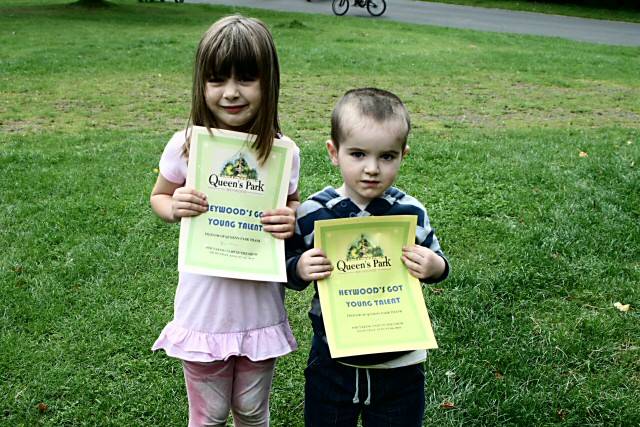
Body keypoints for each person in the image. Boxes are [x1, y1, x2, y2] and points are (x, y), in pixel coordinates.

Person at [150, 15, 301, 427]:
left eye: (247, 79)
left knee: (253, 410)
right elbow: (159, 197)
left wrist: (290, 218)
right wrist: (174, 204)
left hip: (258, 308)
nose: (231, 92)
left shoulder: (283, 151)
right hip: (206, 309)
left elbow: (292, 204)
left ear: (269, 82)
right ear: (201, 84)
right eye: (217, 79)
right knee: (208, 413)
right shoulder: (186, 146)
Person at [286, 88, 449, 427]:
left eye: (386, 156)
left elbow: (437, 261)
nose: (372, 169)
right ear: (334, 152)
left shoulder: (411, 212)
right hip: (331, 361)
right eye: (358, 154)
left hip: (399, 365)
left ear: (404, 155)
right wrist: (300, 268)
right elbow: (288, 269)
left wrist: (434, 266)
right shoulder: (312, 213)